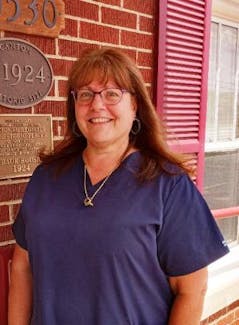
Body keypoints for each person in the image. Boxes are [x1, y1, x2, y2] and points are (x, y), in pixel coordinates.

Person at [9, 48, 229, 325]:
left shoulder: (168, 184)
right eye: (85, 94)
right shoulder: (46, 178)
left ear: (135, 105)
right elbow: (22, 266)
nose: (97, 105)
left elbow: (192, 290)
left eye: (112, 93)